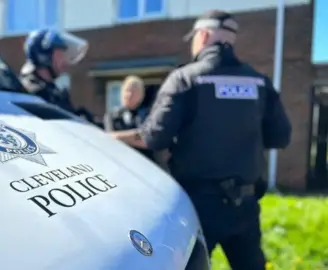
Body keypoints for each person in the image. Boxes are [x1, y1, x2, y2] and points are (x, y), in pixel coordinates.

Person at [110, 10, 291, 270]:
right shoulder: (259, 82)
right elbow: (280, 137)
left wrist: (109, 137)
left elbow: (153, 137)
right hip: (245, 204)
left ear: (203, 35)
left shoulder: (185, 79)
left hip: (199, 205)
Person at [19, 29, 91, 117]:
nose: (64, 60)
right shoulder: (33, 93)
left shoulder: (52, 90)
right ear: (44, 57)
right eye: (60, 54)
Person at [103, 75, 154, 161]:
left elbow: (148, 137)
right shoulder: (112, 116)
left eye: (134, 91)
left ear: (141, 95)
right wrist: (135, 136)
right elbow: (111, 141)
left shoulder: (149, 116)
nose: (129, 95)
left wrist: (119, 136)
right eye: (127, 91)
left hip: (145, 163)